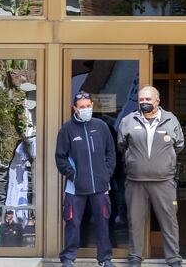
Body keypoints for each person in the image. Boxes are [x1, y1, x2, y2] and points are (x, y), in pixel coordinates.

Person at [117, 86, 184, 267]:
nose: (144, 102)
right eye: (141, 100)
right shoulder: (128, 120)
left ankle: (173, 258)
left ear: (157, 101)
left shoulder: (171, 120)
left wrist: (161, 162)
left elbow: (179, 145)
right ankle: (135, 257)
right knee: (135, 221)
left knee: (169, 221)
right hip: (135, 181)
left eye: (148, 99)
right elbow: (122, 145)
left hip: (164, 181)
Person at [55, 90, 116, 267]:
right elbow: (60, 157)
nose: (86, 109)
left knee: (103, 223)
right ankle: (68, 258)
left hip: (100, 186)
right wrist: (73, 175)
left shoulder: (102, 126)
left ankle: (105, 258)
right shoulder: (67, 129)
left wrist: (106, 174)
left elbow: (111, 152)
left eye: (88, 106)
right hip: (75, 187)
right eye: (82, 107)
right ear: (75, 108)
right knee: (73, 223)